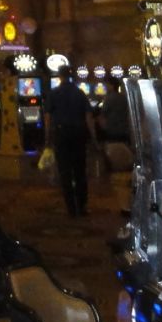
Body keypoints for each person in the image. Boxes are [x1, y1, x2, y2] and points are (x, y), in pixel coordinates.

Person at [45, 73, 92, 217]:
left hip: (61, 134)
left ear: (60, 76)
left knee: (65, 172)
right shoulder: (80, 93)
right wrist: (94, 138)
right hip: (79, 134)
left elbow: (47, 118)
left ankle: (71, 208)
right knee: (80, 171)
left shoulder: (54, 93)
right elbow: (88, 117)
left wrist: (47, 137)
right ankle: (82, 206)